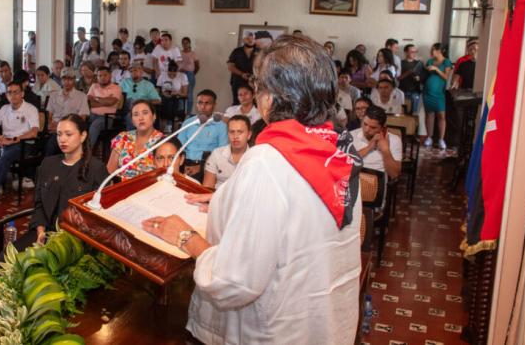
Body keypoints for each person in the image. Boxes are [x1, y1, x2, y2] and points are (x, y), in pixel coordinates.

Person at [142, 35, 362, 345]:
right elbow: (302, 216)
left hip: (274, 328)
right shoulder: (337, 148)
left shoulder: (267, 161)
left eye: (258, 86)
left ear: (271, 97)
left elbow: (233, 282)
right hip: (322, 319)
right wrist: (227, 198)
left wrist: (185, 237)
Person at [9, 114, 107, 253]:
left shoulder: (96, 169)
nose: (62, 139)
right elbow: (39, 204)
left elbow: (99, 216)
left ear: (83, 136)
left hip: (74, 238)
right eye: (59, 134)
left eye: (68, 134)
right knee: (7, 257)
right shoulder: (48, 164)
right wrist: (40, 230)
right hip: (45, 232)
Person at [0, 82, 40, 213]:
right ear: (6, 95)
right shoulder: (4, 108)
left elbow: (34, 132)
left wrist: (15, 139)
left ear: (22, 94)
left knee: (3, 159)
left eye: (16, 92)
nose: (13, 95)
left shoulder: (30, 109)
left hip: (22, 144)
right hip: (3, 141)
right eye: (9, 92)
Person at [107, 100, 164, 181]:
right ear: (132, 121)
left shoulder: (162, 141)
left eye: (145, 113)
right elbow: (110, 169)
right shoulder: (123, 137)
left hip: (150, 188)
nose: (141, 118)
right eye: (136, 114)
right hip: (122, 188)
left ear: (154, 116)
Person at [177, 90, 228, 181]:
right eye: (200, 103)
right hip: (185, 163)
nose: (203, 107)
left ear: (214, 105)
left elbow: (221, 153)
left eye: (207, 103)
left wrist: (200, 167)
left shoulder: (221, 126)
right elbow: (179, 147)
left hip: (208, 165)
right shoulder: (188, 123)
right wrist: (182, 164)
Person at [44, 68, 90, 156]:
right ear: (61, 80)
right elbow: (49, 115)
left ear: (74, 80)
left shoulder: (82, 96)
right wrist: (50, 124)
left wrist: (62, 127)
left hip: (71, 129)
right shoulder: (54, 95)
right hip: (54, 129)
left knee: (52, 145)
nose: (67, 82)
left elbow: (82, 118)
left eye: (70, 79)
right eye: (64, 79)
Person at [350, 105, 401, 179]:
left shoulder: (395, 140)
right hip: (353, 179)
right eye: (365, 124)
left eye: (373, 127)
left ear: (383, 128)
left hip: (378, 182)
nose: (367, 130)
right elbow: (342, 164)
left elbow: (394, 174)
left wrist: (385, 150)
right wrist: (368, 148)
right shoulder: (351, 135)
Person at [202, 115, 251, 190]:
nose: (235, 136)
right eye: (232, 132)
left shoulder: (255, 156)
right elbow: (207, 186)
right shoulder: (217, 154)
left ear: (249, 135)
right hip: (216, 197)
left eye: (240, 132)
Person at [423, 43, 453, 149]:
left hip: (439, 93)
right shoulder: (430, 61)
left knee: (441, 116)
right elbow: (425, 74)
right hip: (427, 92)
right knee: (429, 114)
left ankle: (441, 139)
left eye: (433, 50)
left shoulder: (446, 61)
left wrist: (436, 69)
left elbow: (445, 77)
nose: (431, 52)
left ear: (440, 51)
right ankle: (429, 137)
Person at [87, 66, 122, 149]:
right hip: (90, 115)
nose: (102, 78)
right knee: (77, 122)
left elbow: (111, 102)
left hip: (106, 118)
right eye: (100, 76)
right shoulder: (94, 86)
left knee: (95, 126)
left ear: (110, 75)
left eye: (105, 75)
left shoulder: (116, 88)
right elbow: (89, 103)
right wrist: (105, 101)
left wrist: (95, 98)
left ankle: (86, 152)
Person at [120, 62, 161, 128]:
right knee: (130, 100)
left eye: (135, 70)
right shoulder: (124, 82)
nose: (133, 72)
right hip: (126, 107)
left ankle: (133, 137)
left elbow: (158, 100)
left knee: (129, 117)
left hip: (142, 109)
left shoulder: (148, 85)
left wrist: (143, 102)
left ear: (141, 71)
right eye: (131, 71)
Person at [227, 32, 258, 104]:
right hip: (238, 81)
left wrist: (254, 78)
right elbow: (230, 66)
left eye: (253, 38)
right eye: (248, 39)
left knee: (254, 103)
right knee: (237, 102)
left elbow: (264, 67)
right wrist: (242, 74)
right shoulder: (237, 51)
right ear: (243, 40)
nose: (250, 40)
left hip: (254, 82)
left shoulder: (260, 51)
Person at [157, 61, 188, 132]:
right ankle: (162, 132)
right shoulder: (162, 76)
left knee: (177, 106)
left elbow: (185, 94)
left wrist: (177, 93)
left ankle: (175, 132)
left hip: (177, 98)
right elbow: (157, 91)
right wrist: (162, 93)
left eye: (174, 72)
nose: (172, 74)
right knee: (164, 105)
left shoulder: (182, 76)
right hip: (164, 98)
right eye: (170, 72)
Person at [398, 44, 424, 113]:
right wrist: (408, 72)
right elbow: (397, 78)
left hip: (415, 92)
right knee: (402, 113)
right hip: (402, 91)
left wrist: (419, 78)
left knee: (414, 113)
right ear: (406, 52)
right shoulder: (400, 63)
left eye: (415, 52)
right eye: (412, 52)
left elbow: (423, 78)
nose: (414, 53)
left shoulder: (419, 63)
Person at [179, 37, 199, 114]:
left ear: (189, 43)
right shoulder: (179, 53)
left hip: (190, 75)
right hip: (180, 74)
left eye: (186, 43)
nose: (185, 44)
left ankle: (188, 113)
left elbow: (197, 66)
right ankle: (180, 113)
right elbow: (177, 63)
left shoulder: (193, 53)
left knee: (189, 94)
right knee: (180, 93)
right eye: (183, 43)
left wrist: (192, 73)